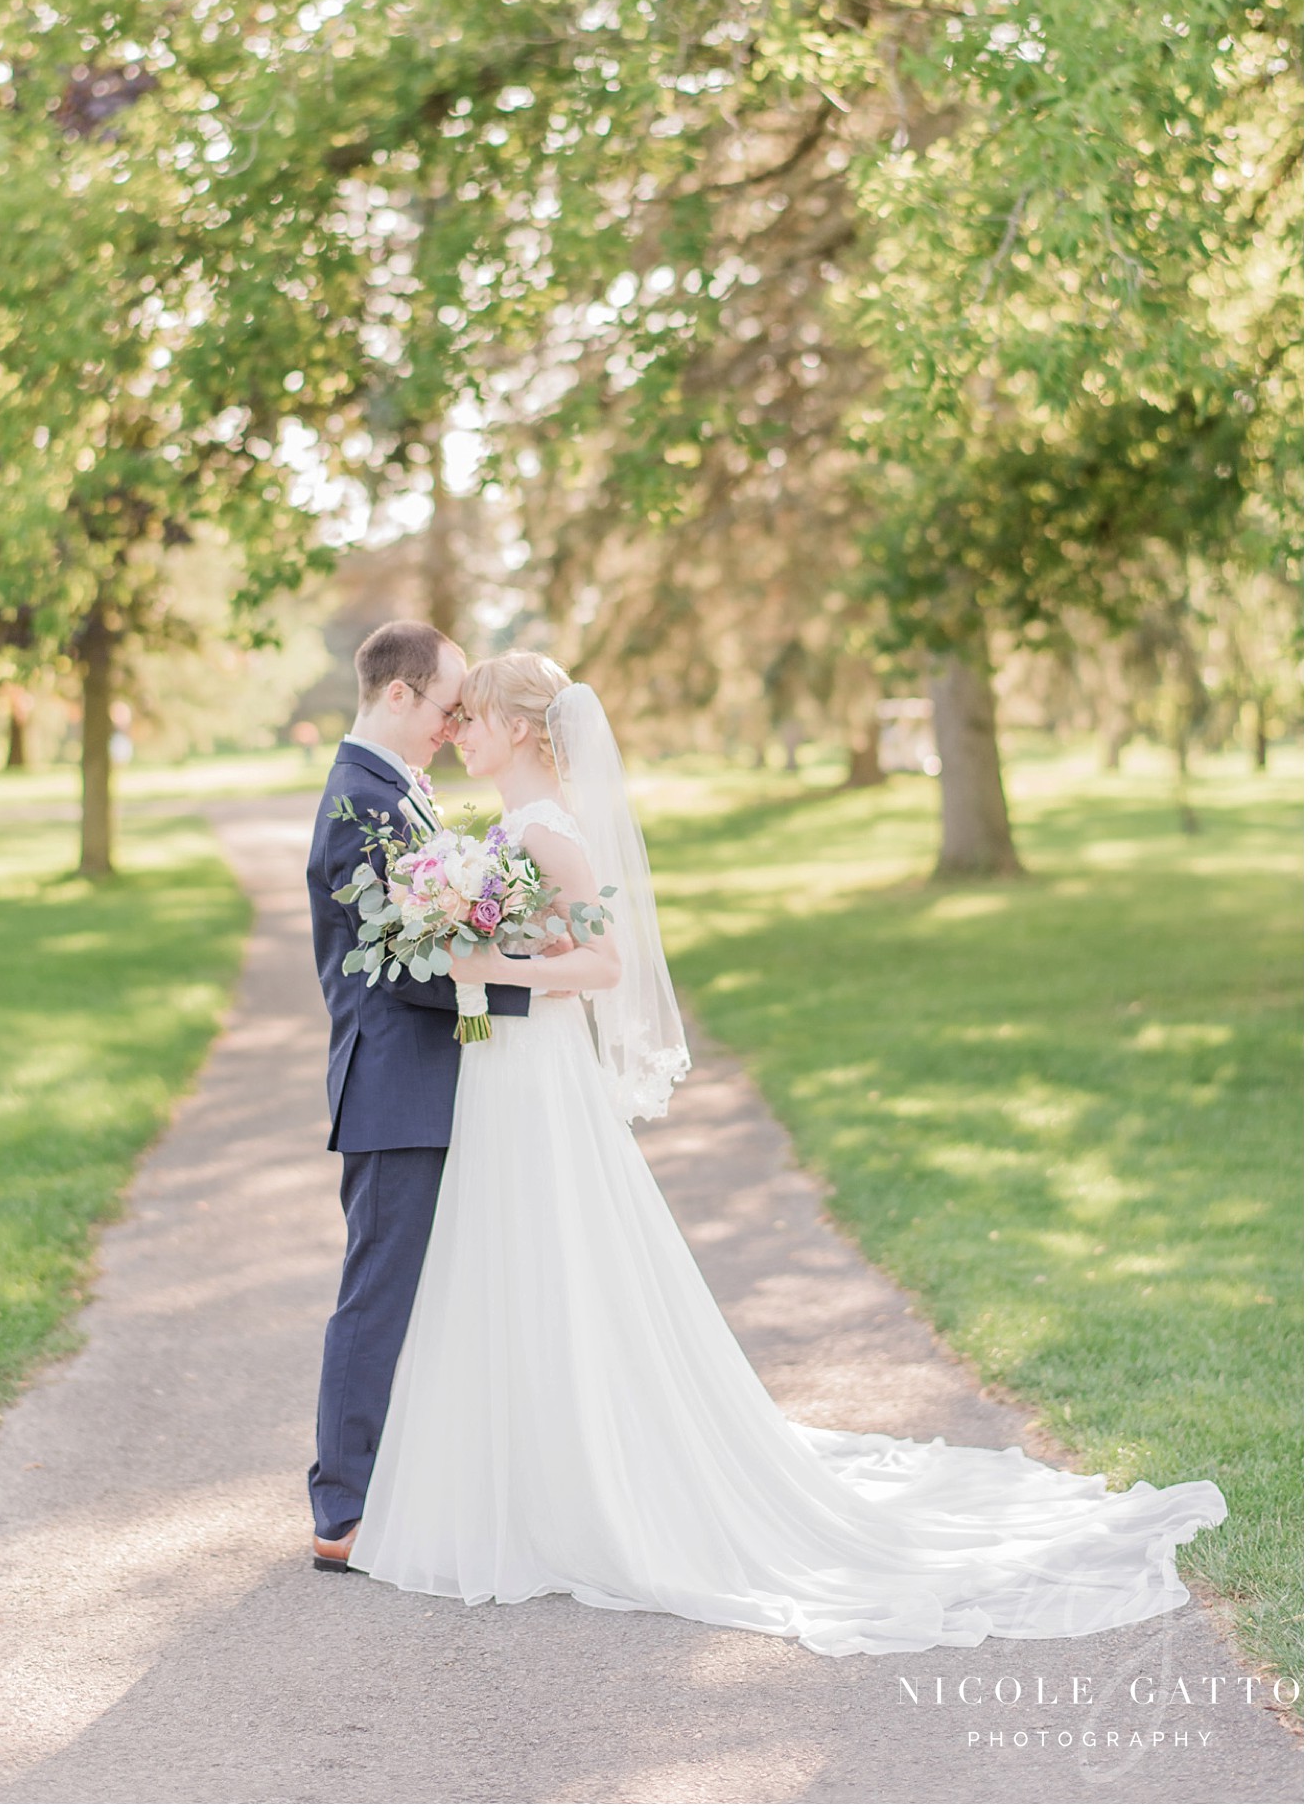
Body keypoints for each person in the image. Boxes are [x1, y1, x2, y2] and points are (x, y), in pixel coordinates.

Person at [344, 650, 1229, 1658]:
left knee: (555, 1251)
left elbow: (602, 964)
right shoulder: (503, 831)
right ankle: (511, 1484)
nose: (458, 728)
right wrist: (469, 943)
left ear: (521, 731)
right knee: (505, 1260)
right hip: (502, 1069)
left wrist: (481, 959)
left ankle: (575, 1489)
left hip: (538, 1073)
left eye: (474, 716)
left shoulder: (548, 832)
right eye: (453, 716)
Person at [304, 621, 553, 1570]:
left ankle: (411, 1478)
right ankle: (341, 1510)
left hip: (431, 1076)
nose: (456, 726)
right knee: (380, 1293)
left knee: (439, 1289)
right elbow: (408, 963)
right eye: (449, 706)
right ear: (398, 695)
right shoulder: (354, 803)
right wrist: (535, 982)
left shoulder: (395, 790)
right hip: (393, 1089)